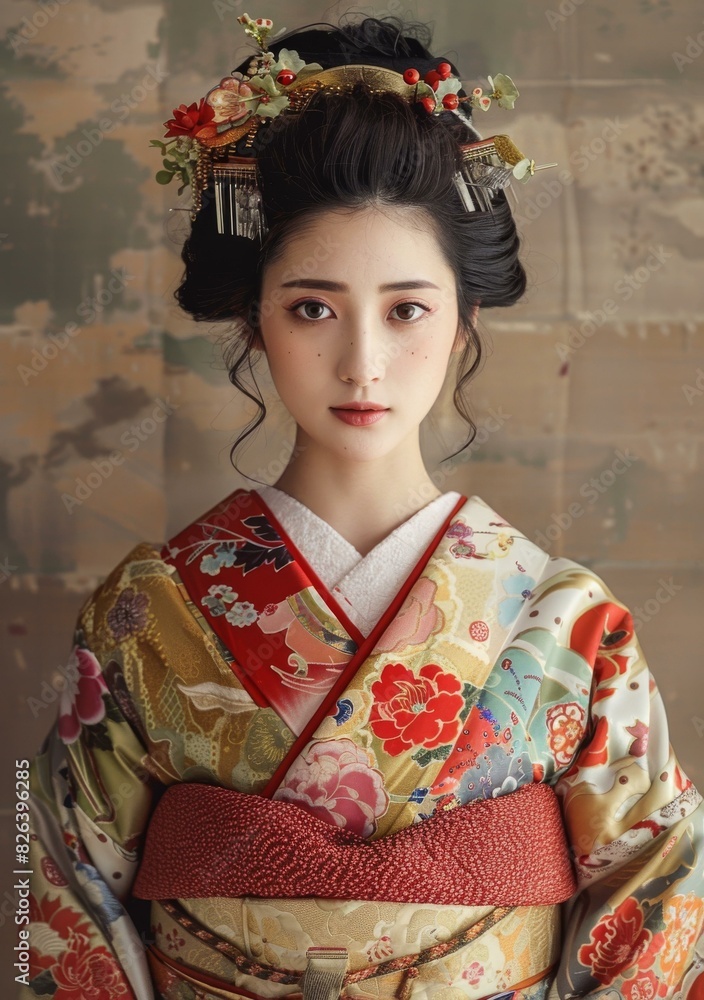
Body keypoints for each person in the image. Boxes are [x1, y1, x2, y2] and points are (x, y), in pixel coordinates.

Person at [24, 13, 704, 1000]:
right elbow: (42, 869)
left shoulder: (563, 622)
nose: (362, 363)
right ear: (252, 318)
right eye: (311, 307)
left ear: (464, 317)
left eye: (405, 308)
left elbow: (663, 882)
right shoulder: (147, 614)